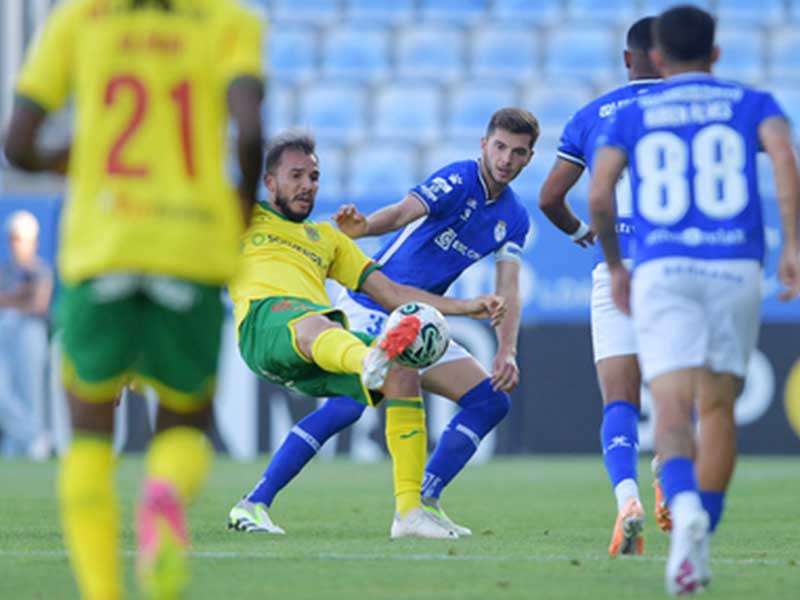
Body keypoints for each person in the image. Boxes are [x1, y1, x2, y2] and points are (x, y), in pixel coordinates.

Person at [3, 0, 265, 598]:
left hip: (103, 245)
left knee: (89, 432)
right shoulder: (228, 20)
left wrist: (74, 161)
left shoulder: (77, 19)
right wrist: (241, 213)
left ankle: (103, 592)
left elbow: (16, 144)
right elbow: (250, 133)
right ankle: (165, 502)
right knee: (183, 420)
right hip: (190, 245)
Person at [229, 108, 537, 538]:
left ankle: (422, 503)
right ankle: (256, 500)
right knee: (353, 400)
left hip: (421, 316)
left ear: (529, 158)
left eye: (517, 152)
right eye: (500, 147)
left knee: (490, 401)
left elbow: (508, 291)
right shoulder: (458, 179)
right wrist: (366, 227)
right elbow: (398, 215)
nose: (506, 159)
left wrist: (507, 350)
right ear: (484, 145)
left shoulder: (515, 218)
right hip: (373, 307)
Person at [589, 5, 800, 595]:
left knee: (672, 409)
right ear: (717, 53)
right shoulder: (753, 103)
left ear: (656, 58)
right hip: (734, 265)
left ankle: (681, 512)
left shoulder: (635, 111)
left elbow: (599, 193)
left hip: (662, 269)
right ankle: (700, 524)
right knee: (717, 411)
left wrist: (612, 263)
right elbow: (784, 158)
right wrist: (793, 246)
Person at [539, 17, 664, 555]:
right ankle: (671, 482)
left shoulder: (592, 116)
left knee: (619, 400)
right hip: (677, 269)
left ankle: (627, 501)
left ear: (627, 58)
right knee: (683, 393)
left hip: (615, 268)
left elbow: (549, 197)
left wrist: (581, 233)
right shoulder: (697, 108)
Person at [0, 210, 53, 460]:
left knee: (30, 393)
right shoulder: (5, 270)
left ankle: (23, 451)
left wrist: (12, 299)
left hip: (31, 331)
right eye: (16, 238)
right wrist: (22, 295)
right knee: (3, 394)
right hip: (5, 329)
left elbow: (39, 305)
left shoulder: (41, 270)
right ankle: (35, 437)